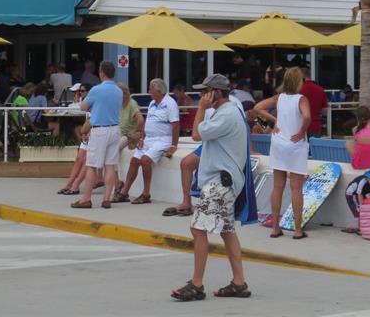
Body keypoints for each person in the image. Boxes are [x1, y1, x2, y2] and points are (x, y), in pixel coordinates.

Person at [171, 74, 251, 301]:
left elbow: (196, 134)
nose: (200, 96)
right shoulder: (227, 112)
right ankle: (239, 282)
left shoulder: (226, 114)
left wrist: (201, 109)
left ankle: (196, 284)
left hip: (219, 183)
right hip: (223, 181)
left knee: (198, 229)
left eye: (204, 92)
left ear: (216, 93)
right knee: (227, 230)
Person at [253, 67, 311, 240]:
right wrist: (302, 131)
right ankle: (298, 230)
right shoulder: (301, 99)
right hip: (295, 144)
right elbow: (307, 116)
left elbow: (257, 107)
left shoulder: (279, 98)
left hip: (279, 143)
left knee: (277, 186)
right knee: (296, 188)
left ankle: (275, 228)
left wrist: (274, 120)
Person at [116, 78, 178, 204]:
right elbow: (147, 123)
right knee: (134, 161)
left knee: (145, 160)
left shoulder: (170, 103)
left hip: (162, 140)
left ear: (159, 90)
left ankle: (146, 193)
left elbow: (176, 125)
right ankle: (124, 192)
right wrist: (142, 138)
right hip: (149, 139)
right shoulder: (152, 103)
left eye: (150, 89)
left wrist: (173, 145)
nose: (149, 91)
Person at [71, 61, 123, 210]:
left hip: (100, 129)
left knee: (92, 166)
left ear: (102, 73)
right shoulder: (119, 91)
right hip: (115, 128)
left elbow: (83, 107)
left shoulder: (96, 90)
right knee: (110, 165)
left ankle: (86, 198)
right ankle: (107, 198)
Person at [299, 66, 328, 138]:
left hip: (300, 125)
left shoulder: (298, 89)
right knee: (314, 148)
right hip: (315, 125)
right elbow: (325, 110)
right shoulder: (320, 89)